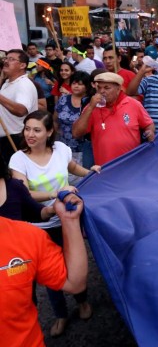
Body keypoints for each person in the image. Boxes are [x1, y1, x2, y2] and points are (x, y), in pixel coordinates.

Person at [9, 110, 97, 336]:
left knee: (75, 264)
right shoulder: (18, 158)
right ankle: (60, 314)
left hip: (67, 221)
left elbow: (73, 169)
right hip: (39, 228)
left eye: (37, 130)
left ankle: (83, 302)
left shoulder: (61, 150)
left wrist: (91, 172)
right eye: (27, 128)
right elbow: (24, 193)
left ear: (49, 132)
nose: (30, 134)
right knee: (49, 275)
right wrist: (57, 193)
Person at [0, 189, 88, 346]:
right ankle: (61, 315)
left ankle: (77, 307)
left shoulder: (26, 236)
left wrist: (70, 220)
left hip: (50, 229)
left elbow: (73, 282)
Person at [72, 72, 155, 165]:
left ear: (118, 89)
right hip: (104, 168)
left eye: (107, 88)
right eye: (99, 88)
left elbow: (148, 124)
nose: (101, 91)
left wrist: (150, 132)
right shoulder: (92, 107)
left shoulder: (133, 104)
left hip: (131, 166)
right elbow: (76, 133)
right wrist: (91, 107)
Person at [0, 49, 39, 164]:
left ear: (22, 65)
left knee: (15, 178)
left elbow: (21, 110)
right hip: (6, 138)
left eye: (11, 59)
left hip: (15, 139)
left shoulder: (23, 84)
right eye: (6, 58)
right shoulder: (9, 82)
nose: (6, 61)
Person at [54, 71, 93, 178]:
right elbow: (55, 119)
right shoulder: (63, 99)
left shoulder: (90, 102)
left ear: (87, 86)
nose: (76, 86)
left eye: (80, 84)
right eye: (74, 83)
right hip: (63, 145)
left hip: (83, 149)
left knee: (82, 177)